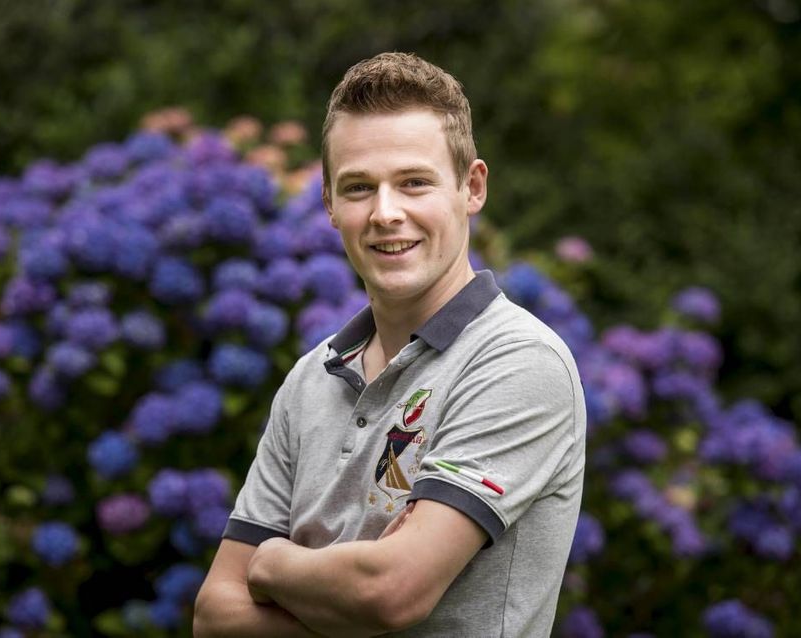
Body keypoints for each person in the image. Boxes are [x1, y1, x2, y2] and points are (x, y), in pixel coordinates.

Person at [193, 51, 586, 637]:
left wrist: (273, 564)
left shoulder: (518, 362)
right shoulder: (311, 377)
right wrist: (346, 590)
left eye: (414, 183)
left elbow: (390, 593)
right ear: (329, 203)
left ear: (471, 187)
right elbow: (214, 616)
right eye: (358, 188)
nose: (385, 213)